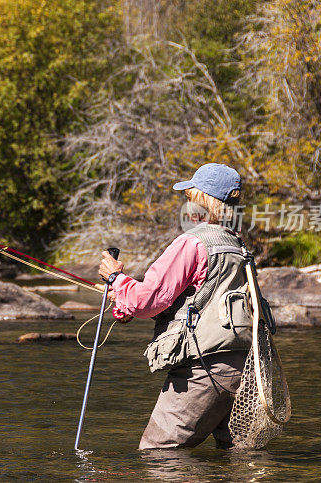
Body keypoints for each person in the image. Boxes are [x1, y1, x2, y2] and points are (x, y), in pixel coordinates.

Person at [98, 163, 252, 449]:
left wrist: (117, 279)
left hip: (204, 368)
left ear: (202, 199)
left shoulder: (192, 242)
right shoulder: (236, 245)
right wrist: (124, 299)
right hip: (246, 367)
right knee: (236, 462)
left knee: (160, 455)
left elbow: (148, 301)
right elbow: (200, 299)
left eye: (190, 195)